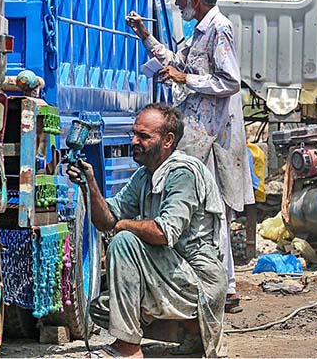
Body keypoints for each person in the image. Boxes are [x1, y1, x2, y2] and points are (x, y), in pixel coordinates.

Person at [126, 0, 254, 314]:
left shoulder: (219, 28)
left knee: (215, 211)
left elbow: (229, 82)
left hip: (215, 137)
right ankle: (216, 286)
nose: (178, 3)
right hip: (198, 136)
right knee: (203, 209)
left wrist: (186, 79)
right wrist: (145, 36)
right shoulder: (199, 32)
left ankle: (225, 288)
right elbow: (175, 61)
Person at [67, 104, 227, 358]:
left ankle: (129, 348)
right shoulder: (145, 175)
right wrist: (90, 184)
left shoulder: (182, 173)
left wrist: (122, 226)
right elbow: (107, 219)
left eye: (143, 136)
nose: (134, 141)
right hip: (170, 273)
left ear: (168, 140)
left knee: (124, 241)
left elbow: (164, 232)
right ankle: (192, 333)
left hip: (197, 279)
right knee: (102, 309)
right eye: (134, 134)